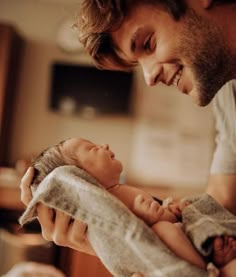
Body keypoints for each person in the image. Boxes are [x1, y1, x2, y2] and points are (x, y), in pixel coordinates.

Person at [20, 0, 236, 275]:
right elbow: (224, 202)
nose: (149, 77)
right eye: (138, 63)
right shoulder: (228, 91)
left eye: (148, 43)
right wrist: (121, 238)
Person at [23, 137, 236, 274]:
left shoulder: (118, 190)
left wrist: (169, 210)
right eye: (91, 148)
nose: (104, 145)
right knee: (164, 229)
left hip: (176, 236)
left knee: (186, 213)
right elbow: (132, 234)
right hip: (167, 245)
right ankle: (202, 268)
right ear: (78, 177)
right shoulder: (106, 204)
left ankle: (208, 245)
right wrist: (152, 218)